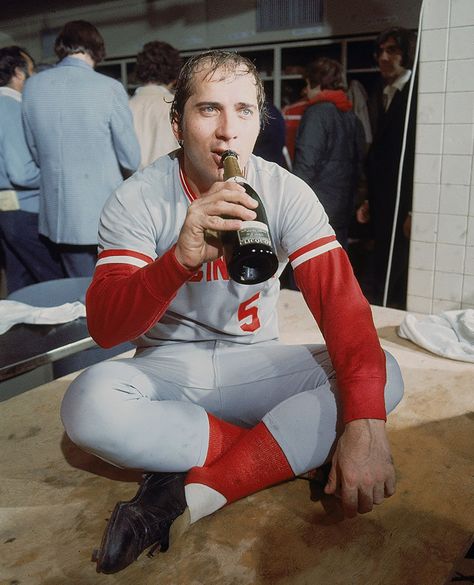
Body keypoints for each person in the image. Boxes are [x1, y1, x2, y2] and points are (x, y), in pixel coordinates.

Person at [60, 49, 404, 575]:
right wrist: (177, 260)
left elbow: (342, 306)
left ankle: (202, 482)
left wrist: (365, 424)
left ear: (258, 121)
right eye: (208, 110)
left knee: (386, 377)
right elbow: (107, 328)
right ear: (177, 123)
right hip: (170, 369)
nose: (227, 131)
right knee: (85, 404)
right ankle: (274, 448)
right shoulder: (138, 198)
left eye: (244, 110)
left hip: (254, 363)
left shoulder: (285, 190)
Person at [22, 20, 140, 278]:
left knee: (76, 290)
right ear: (96, 49)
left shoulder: (32, 87)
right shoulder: (109, 88)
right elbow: (131, 158)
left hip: (59, 215)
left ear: (61, 48)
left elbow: (34, 151)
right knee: (110, 290)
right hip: (103, 213)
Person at [358, 27, 417, 309]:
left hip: (403, 206)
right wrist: (371, 198)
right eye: (380, 51)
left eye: (392, 50)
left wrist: (413, 209)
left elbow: (418, 158)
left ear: (407, 53)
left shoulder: (416, 94)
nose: (383, 57)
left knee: (400, 275)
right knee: (384, 264)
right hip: (384, 202)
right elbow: (384, 156)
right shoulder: (384, 92)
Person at [0, 46, 64, 293]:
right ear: (18, 73)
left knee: (19, 281)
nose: (35, 75)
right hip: (26, 211)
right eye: (32, 69)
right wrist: (56, 174)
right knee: (53, 281)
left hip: (7, 211)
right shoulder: (13, 108)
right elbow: (22, 172)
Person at [292, 58, 365, 250]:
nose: (305, 91)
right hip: (343, 205)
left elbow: (306, 162)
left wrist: (293, 202)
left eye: (307, 84)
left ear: (315, 83)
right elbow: (360, 162)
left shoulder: (316, 113)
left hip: (316, 206)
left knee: (307, 263)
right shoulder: (351, 115)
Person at [129, 40, 182, 168]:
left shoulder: (125, 107)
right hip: (169, 182)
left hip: (130, 184)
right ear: (175, 77)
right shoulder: (178, 105)